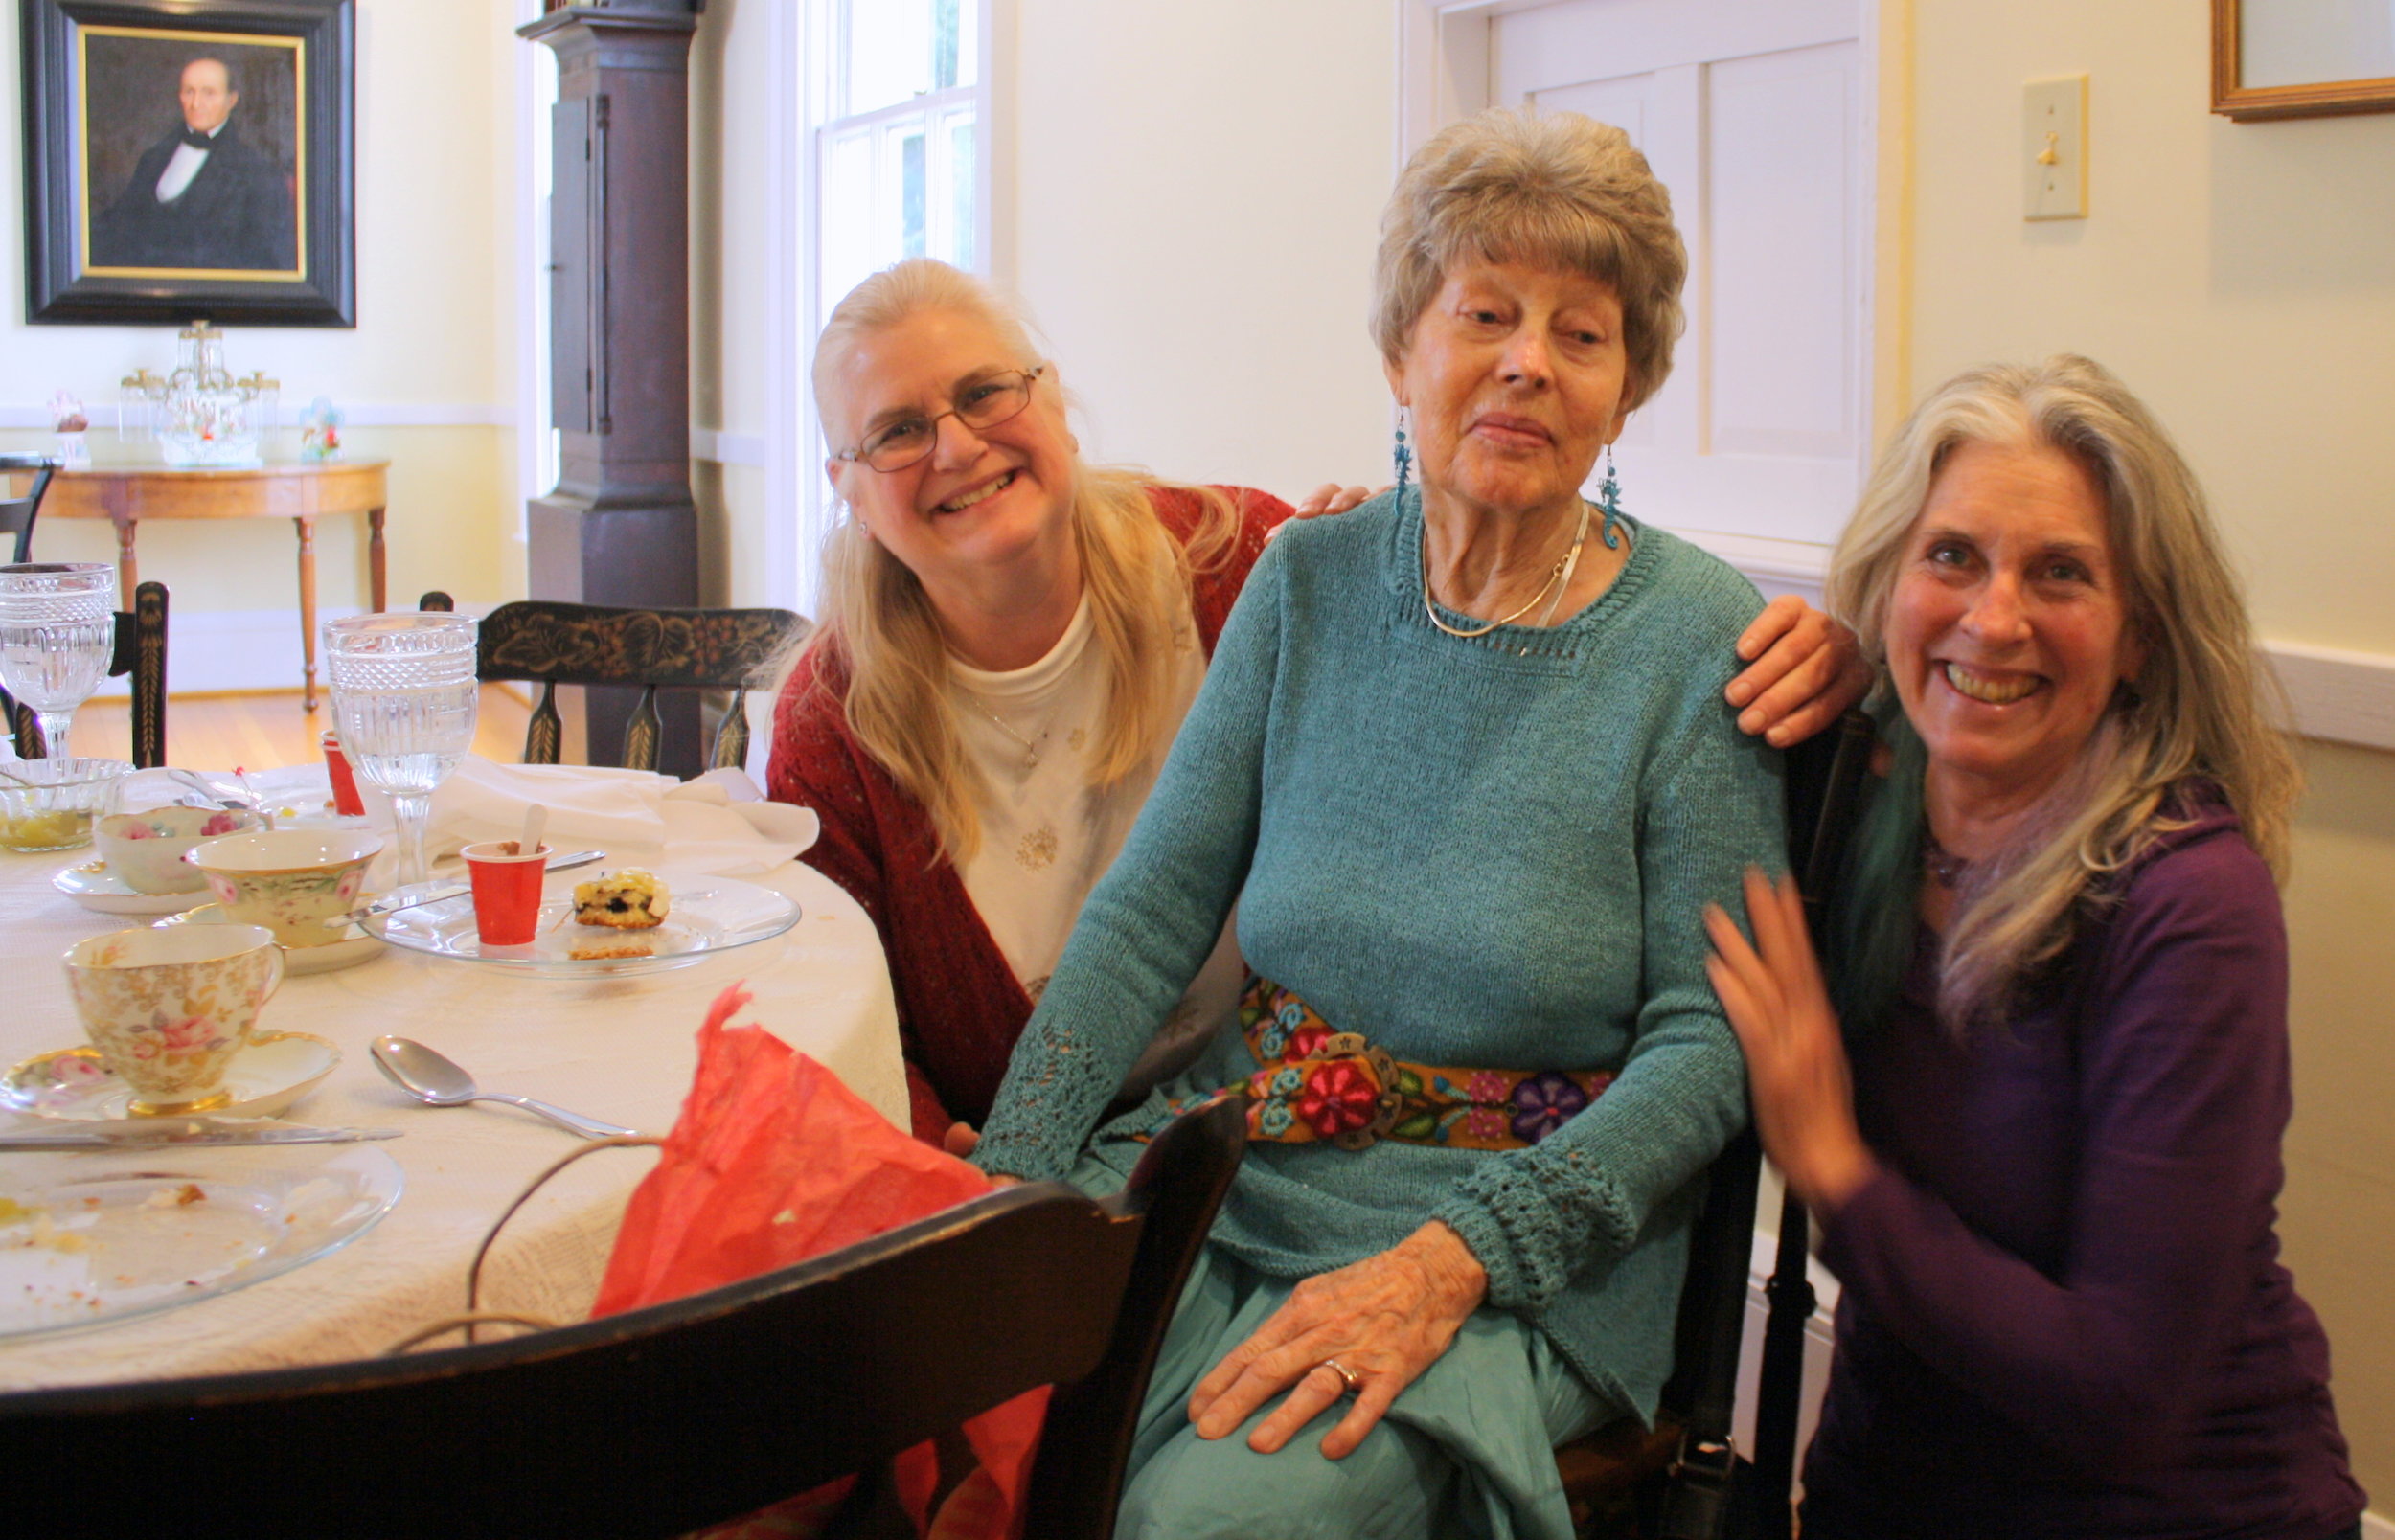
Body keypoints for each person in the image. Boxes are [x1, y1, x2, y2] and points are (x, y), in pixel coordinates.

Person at [964, 108, 1788, 1540]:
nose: (1528, 358)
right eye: (1486, 312)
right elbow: (1155, 907)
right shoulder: (1309, 582)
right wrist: (1012, 1176)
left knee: (1196, 1526)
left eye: (1581, 333)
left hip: (1506, 1250)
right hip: (1231, 1172)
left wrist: (1465, 1256)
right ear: (1406, 345)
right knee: (931, 1416)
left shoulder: (1697, 643)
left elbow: (1711, 1047)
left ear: (1624, 389)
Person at [769, 256, 1859, 1157]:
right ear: (845, 483)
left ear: (1050, 396)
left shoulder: (1236, 558)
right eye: (898, 431)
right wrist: (969, 1170)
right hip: (1081, 1136)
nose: (957, 446)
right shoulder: (830, 718)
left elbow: (1440, 610)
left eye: (983, 393)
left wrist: (1833, 658)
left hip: (1262, 1134)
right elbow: (830, 1007)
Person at [1706, 355, 2366, 1539]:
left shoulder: (2190, 906)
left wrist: (1829, 1160)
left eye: (2059, 573)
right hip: (1882, 1481)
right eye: (1950, 557)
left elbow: (2121, 1395)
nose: (1992, 618)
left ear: (2140, 639)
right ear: (1888, 578)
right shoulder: (1845, 799)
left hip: (2176, 1510)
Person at [91, 57, 295, 273]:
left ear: (231, 100)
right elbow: (119, 224)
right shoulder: (153, 159)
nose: (196, 104)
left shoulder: (257, 173)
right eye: (189, 91)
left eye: (209, 93)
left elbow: (265, 261)